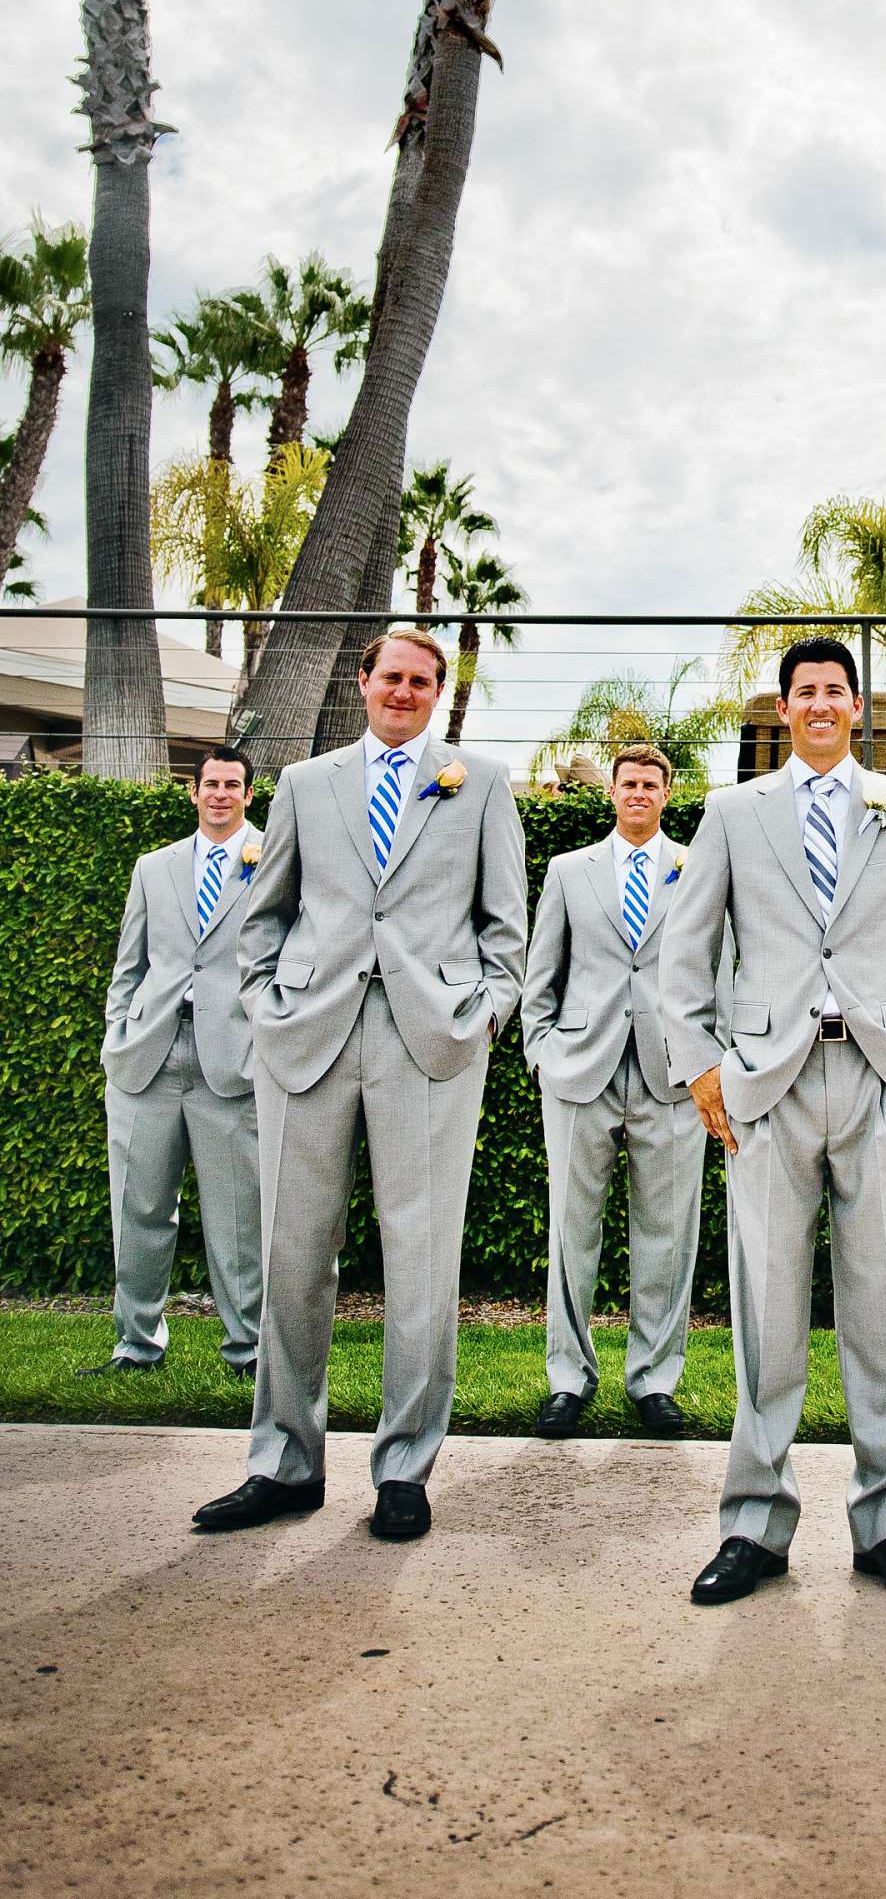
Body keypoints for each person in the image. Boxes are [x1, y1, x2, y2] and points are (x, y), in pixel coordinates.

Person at [661, 636, 886, 1608]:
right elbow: (687, 956)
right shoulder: (730, 814)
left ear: (856, 708)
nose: (818, 703)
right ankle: (754, 1527)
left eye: (834, 691)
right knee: (765, 1314)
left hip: (883, 1083)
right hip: (766, 1087)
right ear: (782, 708)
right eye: (802, 690)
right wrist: (700, 1072)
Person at [192, 626, 527, 1543]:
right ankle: (283, 1464)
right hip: (308, 1036)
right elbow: (261, 916)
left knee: (421, 1259)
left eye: (423, 681)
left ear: (438, 691)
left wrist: (486, 1011)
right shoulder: (306, 782)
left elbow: (508, 927)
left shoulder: (482, 783)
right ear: (364, 681)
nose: (405, 692)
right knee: (292, 1254)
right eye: (392, 678)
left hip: (432, 1043)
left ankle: (405, 1470)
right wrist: (267, 1004)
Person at [522, 741, 726, 1437]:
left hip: (675, 1075)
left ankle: (654, 1380)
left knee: (669, 1235)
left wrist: (715, 1059)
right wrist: (541, 1051)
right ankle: (567, 1379)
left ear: (667, 794)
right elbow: (540, 970)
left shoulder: (698, 869)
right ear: (611, 792)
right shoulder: (567, 871)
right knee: (571, 1231)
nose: (638, 791)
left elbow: (718, 968)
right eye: (628, 782)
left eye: (651, 783)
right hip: (581, 1069)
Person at [89, 747, 264, 1379]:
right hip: (149, 1057)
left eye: (232, 785)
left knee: (238, 1216)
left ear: (249, 793)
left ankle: (248, 1351)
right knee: (138, 1207)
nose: (220, 794)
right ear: (192, 793)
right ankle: (135, 1346)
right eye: (210, 784)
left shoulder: (273, 860)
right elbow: (128, 967)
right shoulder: (153, 868)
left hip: (234, 1061)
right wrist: (118, 1039)